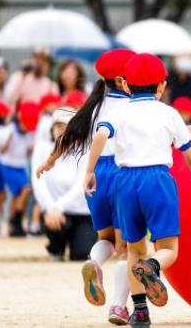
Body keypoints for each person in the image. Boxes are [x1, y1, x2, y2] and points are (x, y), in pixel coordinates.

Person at [85, 53, 191, 328]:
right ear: (162, 86)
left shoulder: (118, 113)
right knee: (168, 248)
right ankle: (153, 267)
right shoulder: (168, 112)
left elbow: (101, 136)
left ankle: (140, 311)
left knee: (133, 250)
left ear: (126, 85)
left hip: (125, 182)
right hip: (157, 180)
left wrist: (90, 171)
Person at [36, 49, 137, 325]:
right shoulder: (133, 105)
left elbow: (68, 136)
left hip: (96, 178)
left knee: (105, 238)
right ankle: (118, 306)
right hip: (122, 174)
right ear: (121, 79)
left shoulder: (92, 106)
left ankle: (94, 262)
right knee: (126, 248)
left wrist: (49, 161)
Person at [32, 108, 98, 260]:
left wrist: (58, 206)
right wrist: (51, 208)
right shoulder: (42, 149)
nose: (61, 131)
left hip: (82, 214)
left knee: (81, 255)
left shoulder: (85, 150)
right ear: (52, 129)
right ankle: (56, 248)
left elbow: (80, 186)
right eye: (58, 126)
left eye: (66, 127)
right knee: (56, 225)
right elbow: (38, 183)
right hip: (53, 213)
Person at [0, 101, 39, 236]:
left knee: (18, 195)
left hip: (20, 165)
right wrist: (8, 141)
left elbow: (27, 150)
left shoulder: (29, 133)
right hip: (8, 165)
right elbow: (2, 152)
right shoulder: (8, 130)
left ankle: (13, 222)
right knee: (26, 189)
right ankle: (15, 220)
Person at [0, 100, 12, 235]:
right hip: (0, 164)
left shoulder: (3, 129)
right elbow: (1, 150)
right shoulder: (3, 131)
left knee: (1, 195)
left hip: (0, 164)